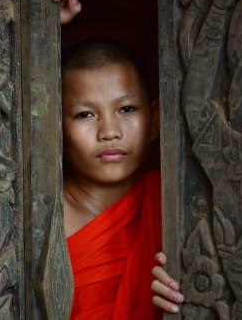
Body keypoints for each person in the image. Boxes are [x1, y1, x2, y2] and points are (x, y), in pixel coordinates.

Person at [61, 39, 162, 319]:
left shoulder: (171, 203)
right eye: (86, 114)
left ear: (154, 119)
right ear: (54, 127)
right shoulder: (38, 214)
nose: (109, 132)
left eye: (126, 109)